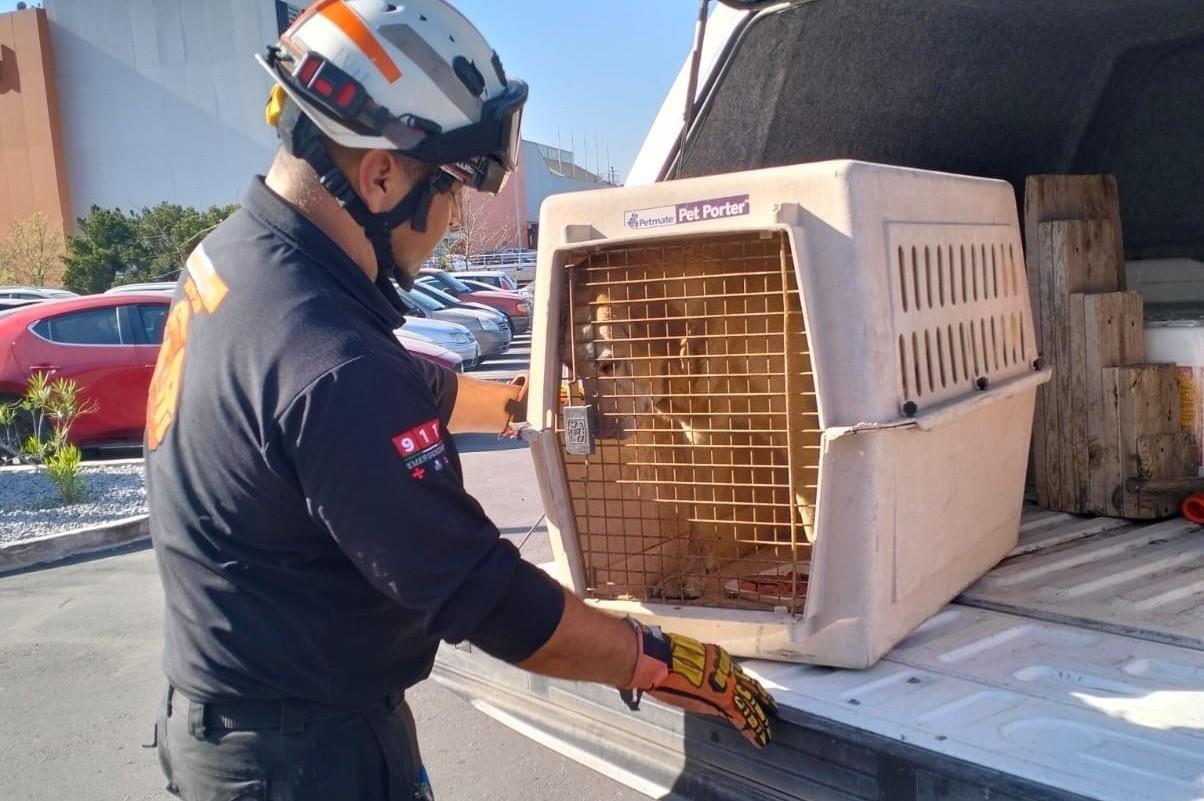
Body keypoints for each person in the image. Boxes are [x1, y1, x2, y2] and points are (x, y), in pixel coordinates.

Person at [145, 1, 776, 798]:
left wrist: (526, 403)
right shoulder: (329, 366)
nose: (450, 222)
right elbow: (485, 595)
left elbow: (406, 386)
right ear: (379, 174)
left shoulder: (240, 265)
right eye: (451, 189)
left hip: (243, 725)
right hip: (305, 764)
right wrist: (654, 657)